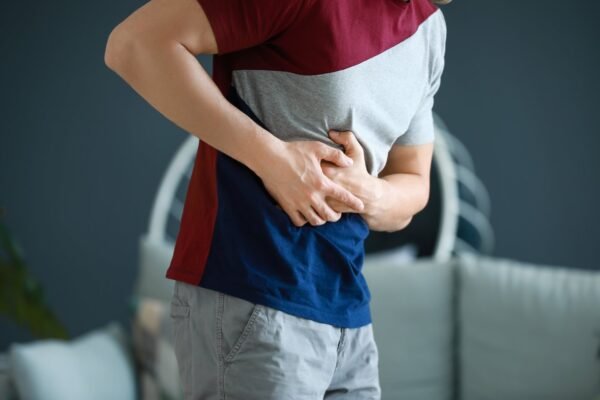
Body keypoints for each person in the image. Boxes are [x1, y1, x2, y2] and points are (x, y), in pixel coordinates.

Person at [105, 0, 448, 398]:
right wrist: (274, 160)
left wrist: (366, 192)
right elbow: (134, 45)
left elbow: (414, 183)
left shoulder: (430, 29)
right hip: (253, 293)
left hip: (348, 316)